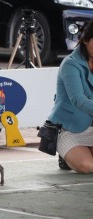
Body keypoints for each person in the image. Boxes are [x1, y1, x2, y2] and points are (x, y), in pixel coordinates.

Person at [48, 21, 93, 174]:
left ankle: (82, 152)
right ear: (86, 40)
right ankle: (66, 155)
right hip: (70, 129)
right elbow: (78, 100)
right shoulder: (70, 64)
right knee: (87, 166)